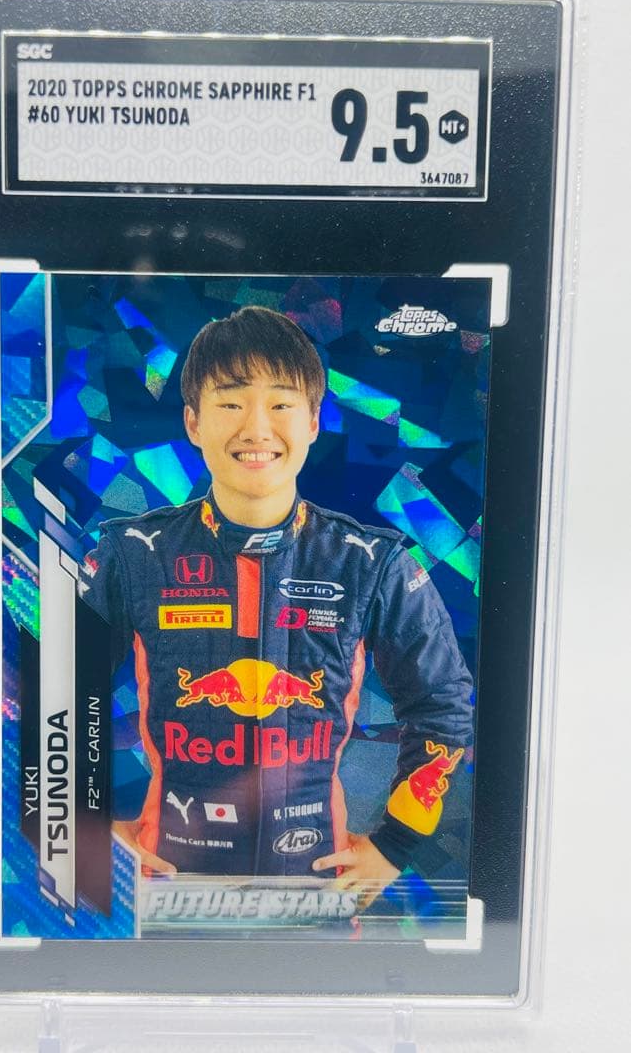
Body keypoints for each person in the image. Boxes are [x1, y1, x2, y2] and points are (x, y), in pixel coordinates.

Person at [78, 306, 473, 905]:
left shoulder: (372, 563)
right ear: (193, 422)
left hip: (317, 900)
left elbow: (443, 707)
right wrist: (85, 833)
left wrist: (395, 846)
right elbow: (51, 700)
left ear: (313, 421)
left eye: (281, 404)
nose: (256, 428)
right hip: (162, 902)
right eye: (231, 403)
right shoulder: (131, 554)